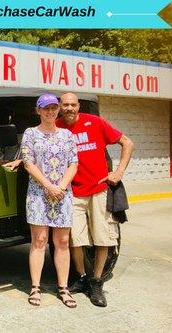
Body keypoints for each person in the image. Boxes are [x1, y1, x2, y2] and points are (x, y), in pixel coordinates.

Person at [56, 92, 134, 307]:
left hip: (99, 190)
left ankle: (96, 282)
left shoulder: (95, 122)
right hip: (73, 192)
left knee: (103, 239)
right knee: (74, 240)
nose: (69, 108)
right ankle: (81, 277)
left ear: (78, 105)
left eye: (73, 104)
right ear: (60, 106)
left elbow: (127, 143)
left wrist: (118, 172)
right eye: (65, 105)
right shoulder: (57, 127)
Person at [21, 94, 78, 308]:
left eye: (54, 108)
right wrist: (48, 185)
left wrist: (61, 186)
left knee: (62, 242)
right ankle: (35, 287)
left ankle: (63, 288)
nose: (50, 111)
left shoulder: (67, 135)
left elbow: (74, 163)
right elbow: (28, 163)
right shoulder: (30, 134)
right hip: (38, 194)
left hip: (62, 194)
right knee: (39, 241)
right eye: (46, 108)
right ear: (38, 110)